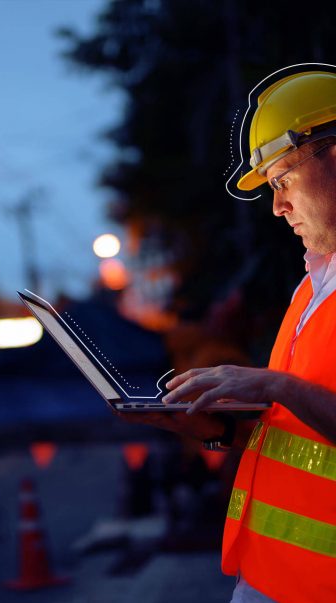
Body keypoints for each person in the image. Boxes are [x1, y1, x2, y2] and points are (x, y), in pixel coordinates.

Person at [117, 70, 336, 603]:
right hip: (272, 576)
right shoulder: (313, 288)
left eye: (282, 179)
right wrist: (215, 429)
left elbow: (294, 399)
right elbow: (302, 437)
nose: (278, 206)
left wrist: (274, 387)